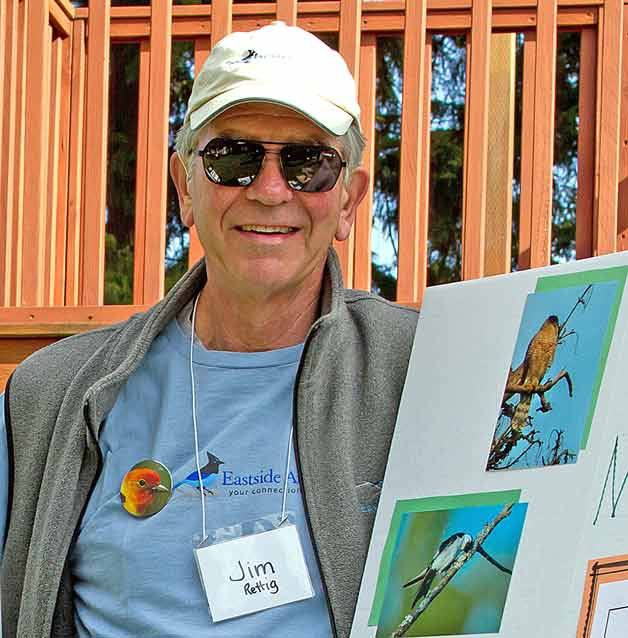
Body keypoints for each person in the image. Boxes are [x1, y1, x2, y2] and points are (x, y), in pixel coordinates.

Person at [0, 22, 418, 638]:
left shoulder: (423, 369)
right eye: (234, 158)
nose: (271, 190)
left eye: (308, 162)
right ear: (184, 188)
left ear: (350, 200)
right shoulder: (52, 395)